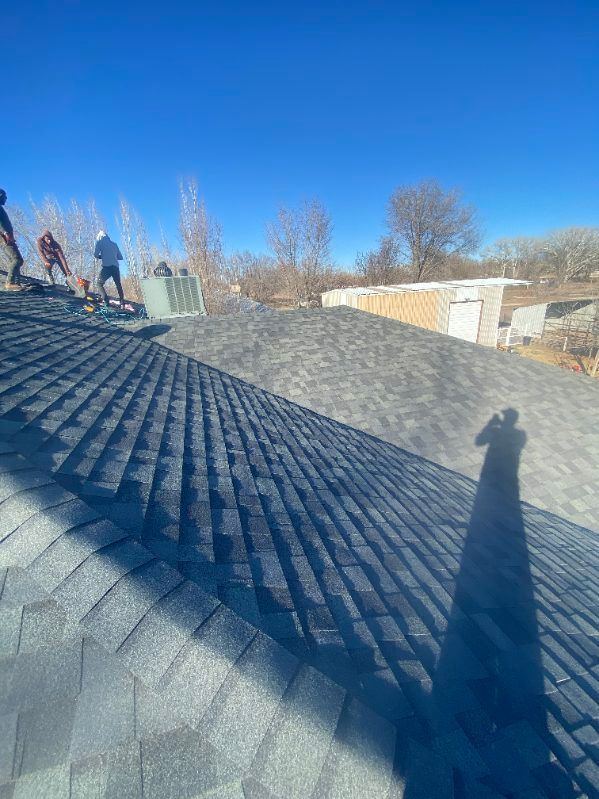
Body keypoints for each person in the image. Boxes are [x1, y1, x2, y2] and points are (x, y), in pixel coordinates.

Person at [0, 188, 25, 290]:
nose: (6, 198)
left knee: (14, 259)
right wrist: (6, 233)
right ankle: (9, 283)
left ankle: (16, 283)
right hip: (4, 236)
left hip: (7, 236)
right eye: (5, 196)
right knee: (17, 259)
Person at [93, 230, 125, 307]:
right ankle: (122, 301)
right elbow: (120, 257)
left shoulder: (99, 243)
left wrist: (103, 256)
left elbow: (96, 255)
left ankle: (106, 301)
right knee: (118, 284)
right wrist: (112, 255)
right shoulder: (114, 244)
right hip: (115, 267)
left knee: (99, 283)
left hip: (107, 267)